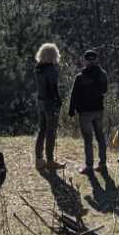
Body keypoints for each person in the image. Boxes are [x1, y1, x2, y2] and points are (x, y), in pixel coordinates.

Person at [70, 49, 109, 176]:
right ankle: (102, 164)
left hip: (85, 111)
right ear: (96, 59)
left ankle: (89, 166)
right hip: (98, 109)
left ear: (85, 60)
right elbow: (105, 90)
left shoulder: (81, 76)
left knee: (88, 139)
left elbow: (74, 95)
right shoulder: (103, 74)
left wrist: (71, 109)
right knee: (100, 137)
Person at [34, 43, 65, 171]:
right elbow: (53, 87)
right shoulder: (51, 69)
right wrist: (58, 100)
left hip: (40, 102)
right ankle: (50, 161)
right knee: (51, 132)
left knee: (42, 130)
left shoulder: (38, 68)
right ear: (53, 54)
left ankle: (39, 160)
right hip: (50, 103)